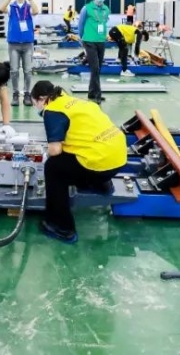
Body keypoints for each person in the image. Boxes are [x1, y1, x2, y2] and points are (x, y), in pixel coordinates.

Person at [29, 81, 127, 243]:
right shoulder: (77, 102)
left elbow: (55, 150)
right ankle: (102, 185)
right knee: (78, 154)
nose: (36, 108)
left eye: (34, 104)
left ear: (41, 99)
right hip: (118, 157)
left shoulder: (52, 111)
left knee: (53, 168)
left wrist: (43, 152)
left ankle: (62, 227)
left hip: (99, 164)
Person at [0, 0, 40, 107]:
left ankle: (27, 94)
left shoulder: (29, 6)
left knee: (28, 70)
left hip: (27, 44)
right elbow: (1, 9)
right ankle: (15, 94)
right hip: (14, 44)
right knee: (14, 70)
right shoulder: (11, 7)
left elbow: (36, 11)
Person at [76, 0, 110, 103]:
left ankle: (91, 92)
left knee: (98, 69)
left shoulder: (106, 9)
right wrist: (82, 39)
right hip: (89, 41)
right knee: (95, 68)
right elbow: (80, 24)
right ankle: (97, 95)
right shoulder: (86, 8)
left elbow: (104, 24)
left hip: (101, 41)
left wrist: (104, 36)